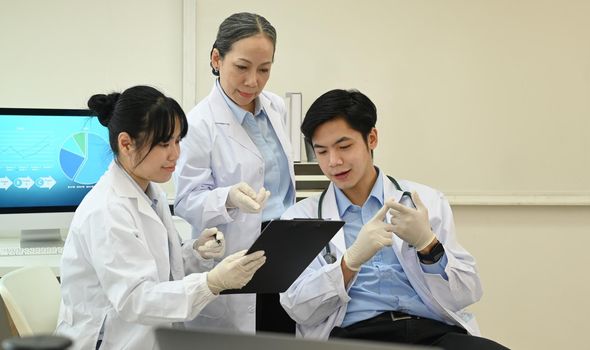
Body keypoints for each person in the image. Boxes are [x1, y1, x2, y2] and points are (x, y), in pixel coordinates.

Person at [280, 89, 509, 349]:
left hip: (431, 332)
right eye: (321, 152)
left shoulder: (425, 201)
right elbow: (298, 308)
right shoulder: (300, 218)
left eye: (344, 146)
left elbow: (467, 293)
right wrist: (349, 262)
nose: (334, 161)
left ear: (372, 138)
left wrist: (428, 245)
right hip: (354, 337)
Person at [55, 86, 266, 350]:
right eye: (164, 144)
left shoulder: (149, 190)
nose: (175, 154)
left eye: (178, 141)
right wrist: (212, 282)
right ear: (126, 143)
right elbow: (136, 299)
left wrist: (196, 252)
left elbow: (160, 271)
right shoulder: (107, 210)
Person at [174, 12, 296, 333]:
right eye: (241, 67)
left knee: (282, 335)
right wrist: (227, 197)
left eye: (264, 69)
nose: (253, 81)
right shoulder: (198, 124)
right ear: (217, 58)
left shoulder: (275, 107)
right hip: (237, 254)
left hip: (285, 249)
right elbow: (186, 201)